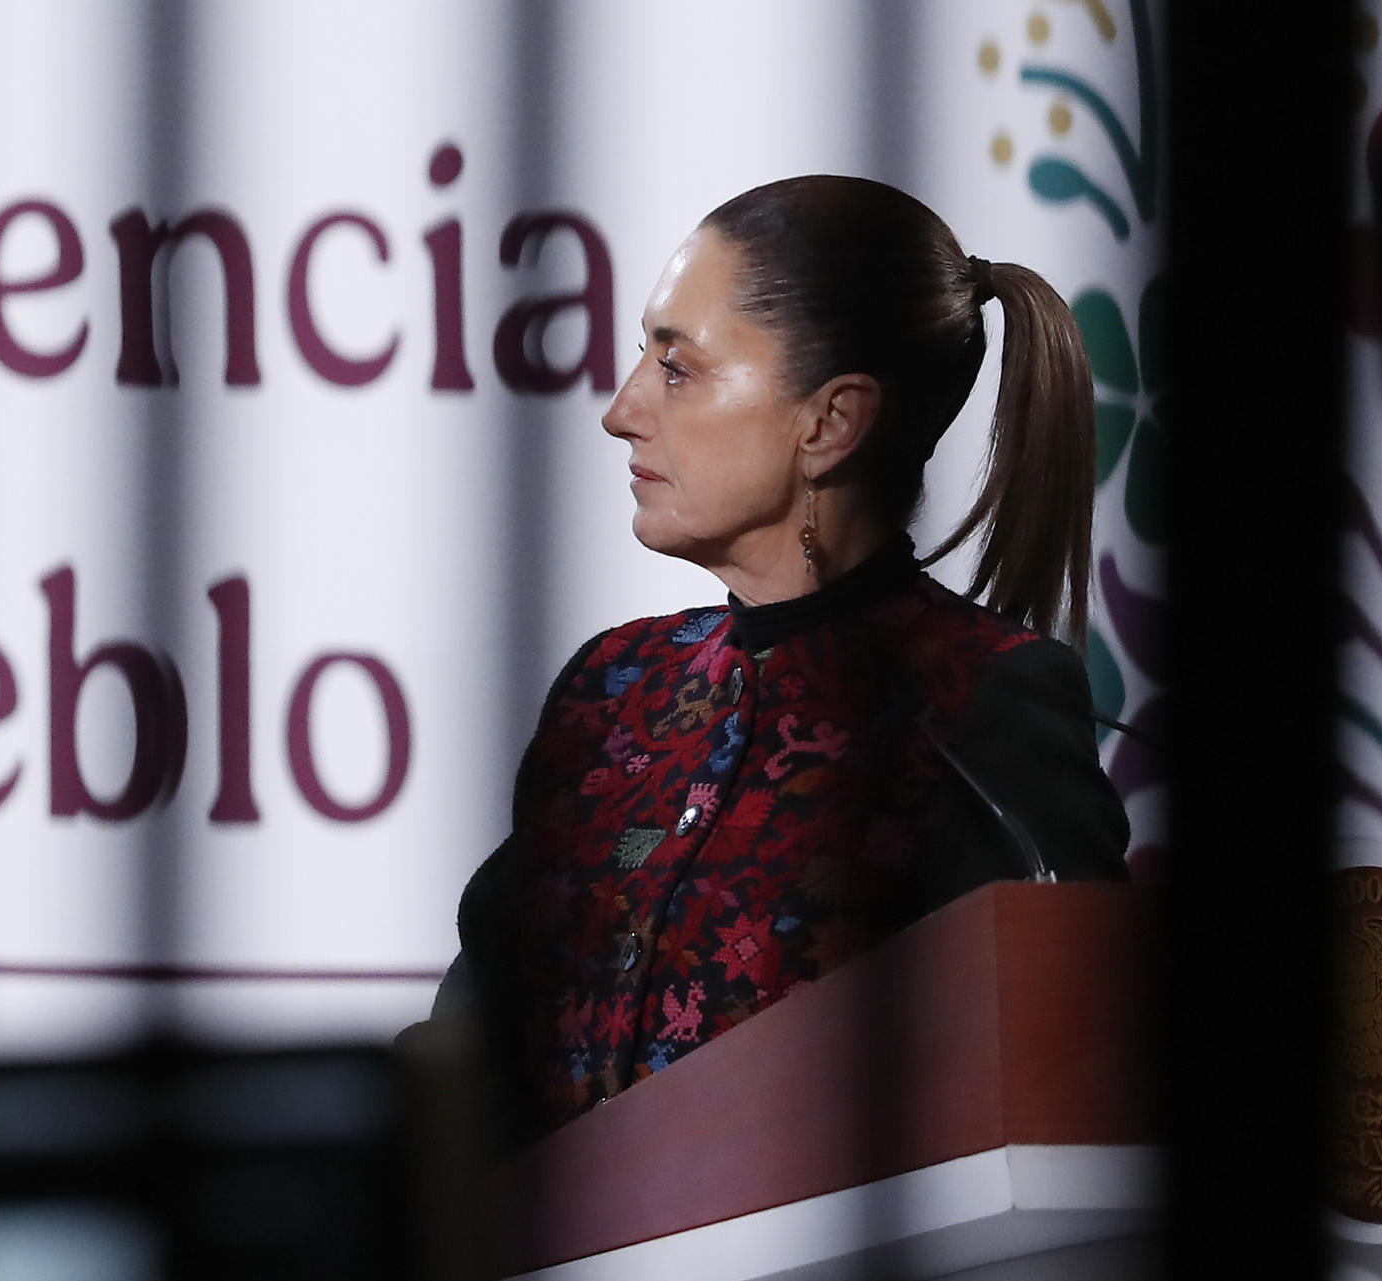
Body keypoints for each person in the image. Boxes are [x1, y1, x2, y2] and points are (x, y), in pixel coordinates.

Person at [436, 175, 1129, 1146]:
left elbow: (1068, 1087)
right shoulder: (611, 692)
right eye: (645, 355)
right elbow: (467, 1063)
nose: (623, 409)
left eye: (677, 369)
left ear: (830, 423)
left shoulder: (980, 704)